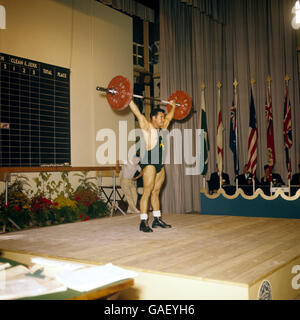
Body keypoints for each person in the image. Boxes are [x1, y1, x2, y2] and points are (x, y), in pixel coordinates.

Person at [129, 99, 176, 232]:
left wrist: (172, 107)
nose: (163, 119)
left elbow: (170, 117)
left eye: (163, 117)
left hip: (160, 165)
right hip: (150, 164)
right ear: (154, 118)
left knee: (156, 192)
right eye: (161, 117)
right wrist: (128, 99)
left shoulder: (162, 128)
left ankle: (157, 219)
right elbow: (137, 113)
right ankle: (143, 222)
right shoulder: (147, 127)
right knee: (147, 192)